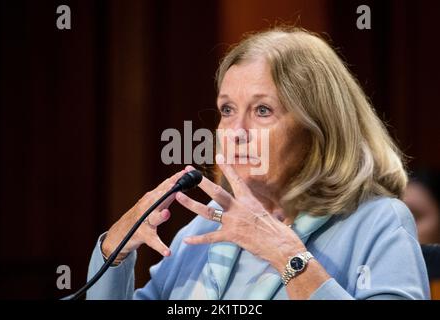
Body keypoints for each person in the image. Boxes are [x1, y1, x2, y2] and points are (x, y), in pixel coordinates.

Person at [86, 27, 430, 300]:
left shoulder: (378, 223)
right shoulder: (202, 231)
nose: (235, 132)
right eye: (227, 110)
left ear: (318, 128)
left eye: (262, 110)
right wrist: (112, 254)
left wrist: (285, 255)